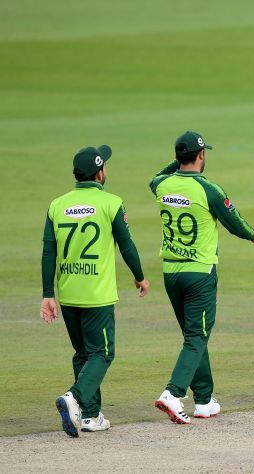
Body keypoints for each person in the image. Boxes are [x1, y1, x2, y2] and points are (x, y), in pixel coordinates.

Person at [151, 131, 254, 424]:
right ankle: (173, 394)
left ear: (177, 158)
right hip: (199, 272)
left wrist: (177, 162)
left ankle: (203, 399)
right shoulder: (209, 189)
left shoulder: (162, 185)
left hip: (171, 272)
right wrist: (253, 234)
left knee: (193, 337)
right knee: (197, 336)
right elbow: (234, 223)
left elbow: (155, 177)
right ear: (201, 156)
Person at [42, 144, 150, 437]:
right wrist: (140, 276)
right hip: (97, 295)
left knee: (83, 353)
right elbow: (126, 244)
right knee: (102, 353)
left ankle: (90, 415)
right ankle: (75, 398)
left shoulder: (57, 204)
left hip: (68, 293)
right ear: (100, 172)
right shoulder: (111, 203)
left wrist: (47, 294)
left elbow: (48, 252)